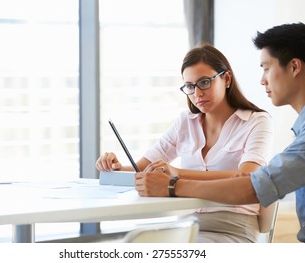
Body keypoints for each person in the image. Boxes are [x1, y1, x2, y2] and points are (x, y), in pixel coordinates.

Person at [135, 22, 305, 243]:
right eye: (190, 86)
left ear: (294, 67)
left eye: (266, 68)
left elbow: (256, 186)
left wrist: (172, 184)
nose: (262, 79)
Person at [97, 44, 274, 242]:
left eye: (204, 82)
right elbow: (143, 169)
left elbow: (248, 177)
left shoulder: (256, 121)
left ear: (226, 79)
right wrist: (116, 167)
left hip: (233, 229)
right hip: (185, 228)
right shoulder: (185, 122)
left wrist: (177, 175)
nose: (197, 93)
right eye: (189, 86)